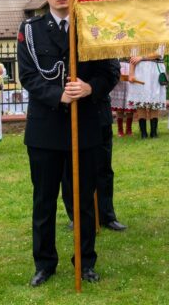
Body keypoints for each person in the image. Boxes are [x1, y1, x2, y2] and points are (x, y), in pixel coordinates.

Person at [17, 0, 120, 287]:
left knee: (83, 202)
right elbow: (28, 76)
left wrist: (91, 88)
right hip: (45, 129)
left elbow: (110, 71)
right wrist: (58, 95)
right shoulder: (30, 31)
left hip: (85, 127)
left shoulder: (93, 25)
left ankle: (85, 261)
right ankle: (44, 264)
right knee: (44, 201)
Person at [61, 89, 127, 232]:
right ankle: (76, 215)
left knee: (103, 166)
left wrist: (91, 87)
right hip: (71, 113)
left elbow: (112, 73)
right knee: (71, 169)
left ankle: (106, 215)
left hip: (99, 111)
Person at [127, 46, 167, 138]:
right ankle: (143, 133)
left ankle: (153, 132)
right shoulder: (138, 37)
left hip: (154, 71)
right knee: (141, 101)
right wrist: (131, 73)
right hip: (140, 71)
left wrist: (141, 57)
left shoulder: (160, 36)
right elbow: (133, 57)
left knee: (154, 100)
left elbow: (159, 53)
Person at [109, 59, 133, 136]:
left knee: (130, 105)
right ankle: (120, 130)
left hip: (131, 68)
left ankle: (129, 129)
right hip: (119, 68)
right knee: (119, 105)